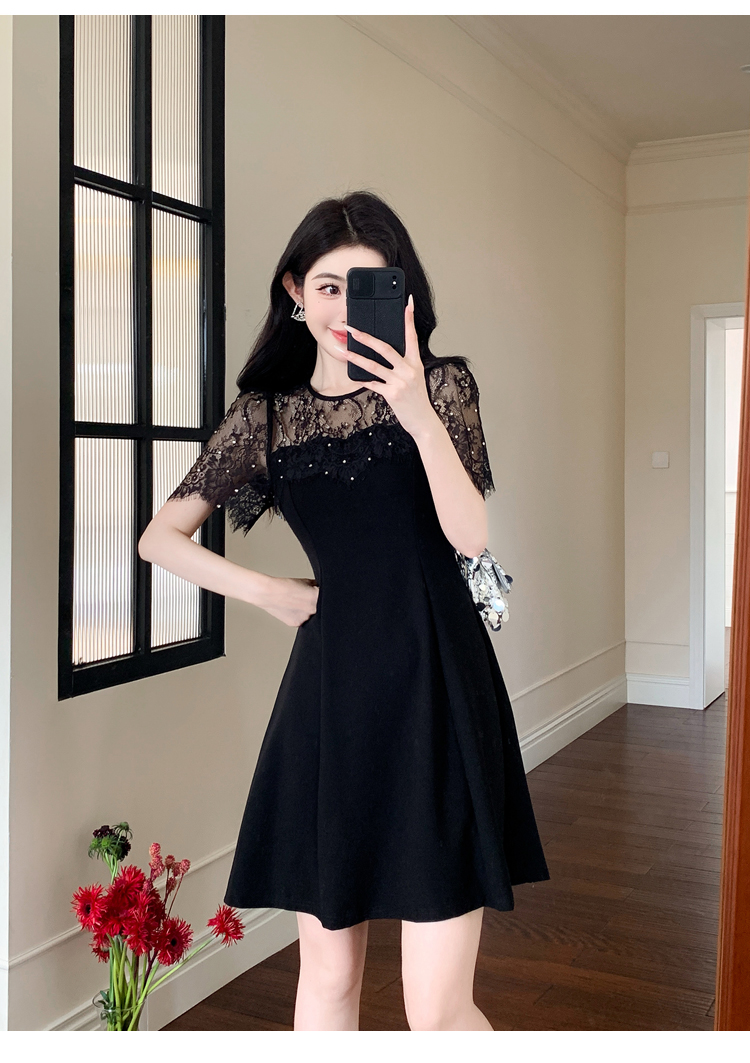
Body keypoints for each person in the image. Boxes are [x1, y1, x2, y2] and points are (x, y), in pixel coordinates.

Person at [138, 190, 550, 1031]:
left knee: (436, 1009)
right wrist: (271, 592)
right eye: (328, 286)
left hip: (438, 683)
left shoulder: (442, 387)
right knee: (327, 979)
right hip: (331, 696)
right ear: (295, 290)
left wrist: (416, 412)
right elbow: (159, 538)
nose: (343, 307)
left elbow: (470, 535)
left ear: (400, 294)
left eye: (366, 287)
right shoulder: (265, 417)